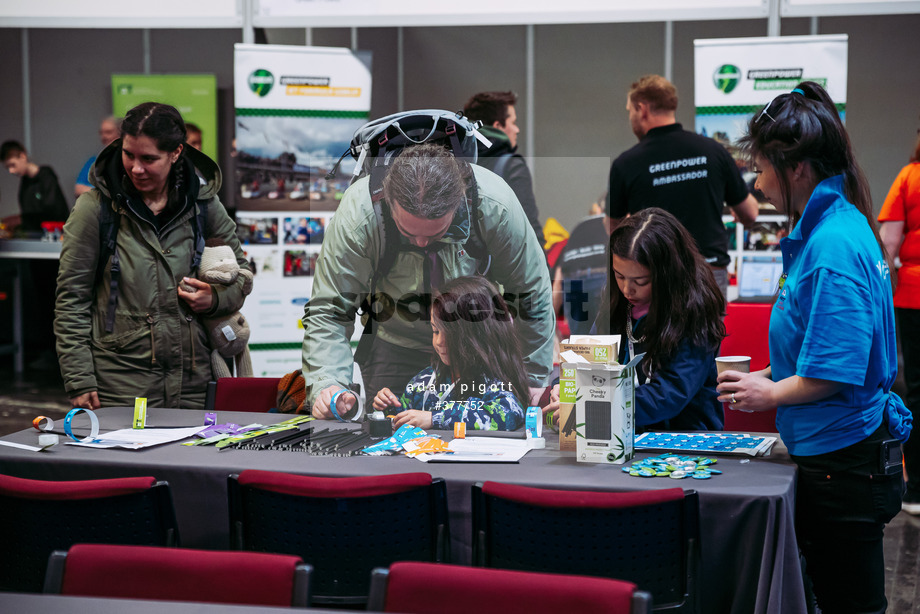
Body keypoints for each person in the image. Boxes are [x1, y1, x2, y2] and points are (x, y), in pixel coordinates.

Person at [718, 82, 911, 614]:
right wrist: (766, 373)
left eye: (761, 169)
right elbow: (821, 345)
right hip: (837, 457)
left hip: (843, 465)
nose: (758, 184)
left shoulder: (831, 246)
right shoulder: (834, 227)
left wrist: (770, 391)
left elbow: (837, 372)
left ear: (797, 168)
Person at [303, 142, 553, 420]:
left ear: (457, 204)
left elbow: (531, 296)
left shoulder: (495, 206)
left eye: (436, 234)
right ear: (389, 201)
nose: (421, 242)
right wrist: (329, 385)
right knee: (388, 440)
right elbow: (330, 309)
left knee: (483, 437)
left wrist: (530, 380)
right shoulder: (359, 215)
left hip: (475, 347)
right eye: (407, 232)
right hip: (395, 344)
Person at [55, 102, 251, 410]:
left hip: (195, 385)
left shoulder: (203, 204)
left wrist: (213, 298)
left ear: (175, 153)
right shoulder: (95, 209)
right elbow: (71, 301)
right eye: (128, 154)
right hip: (120, 385)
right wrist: (79, 379)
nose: (135, 168)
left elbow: (241, 277)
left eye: (149, 158)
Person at [542, 208, 725, 431]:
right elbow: (585, 358)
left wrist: (597, 406)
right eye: (619, 276)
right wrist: (565, 385)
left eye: (641, 281)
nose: (628, 289)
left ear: (667, 274)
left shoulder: (694, 314)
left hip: (684, 440)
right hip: (623, 437)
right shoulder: (615, 304)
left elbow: (669, 394)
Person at [607, 74, 759, 296]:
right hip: (709, 273)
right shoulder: (713, 151)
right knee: (708, 332)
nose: (630, 117)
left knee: (656, 332)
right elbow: (751, 212)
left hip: (656, 278)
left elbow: (615, 231)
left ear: (642, 108)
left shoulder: (626, 164)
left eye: (630, 110)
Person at [372, 276, 529, 431]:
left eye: (450, 334)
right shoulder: (422, 383)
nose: (439, 341)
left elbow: (507, 414)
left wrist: (434, 418)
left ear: (477, 334)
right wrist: (390, 408)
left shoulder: (494, 381)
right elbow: (408, 415)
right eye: (435, 331)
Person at [878, 129, 920, 516]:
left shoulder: (910, 176)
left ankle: (916, 490)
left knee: (918, 388)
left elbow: (889, 240)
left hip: (914, 294)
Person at [463, 91, 543, 245]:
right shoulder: (511, 166)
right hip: (501, 265)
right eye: (513, 122)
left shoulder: (455, 165)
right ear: (498, 126)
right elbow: (529, 231)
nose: (517, 129)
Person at [553, 195, 611, 336]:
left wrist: (551, 320)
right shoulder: (611, 222)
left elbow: (558, 278)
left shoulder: (579, 226)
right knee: (607, 340)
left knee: (580, 344)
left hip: (574, 283)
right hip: (602, 276)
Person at [1, 140, 69, 233]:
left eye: (13, 165)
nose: (11, 171)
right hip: (36, 236)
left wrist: (21, 220)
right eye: (7, 167)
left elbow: (52, 211)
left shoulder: (46, 176)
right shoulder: (25, 182)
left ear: (22, 156)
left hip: (55, 236)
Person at [75, 116, 121, 199]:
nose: (104, 137)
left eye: (108, 132)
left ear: (121, 134)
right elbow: (78, 189)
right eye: (101, 133)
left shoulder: (127, 160)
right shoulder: (94, 161)